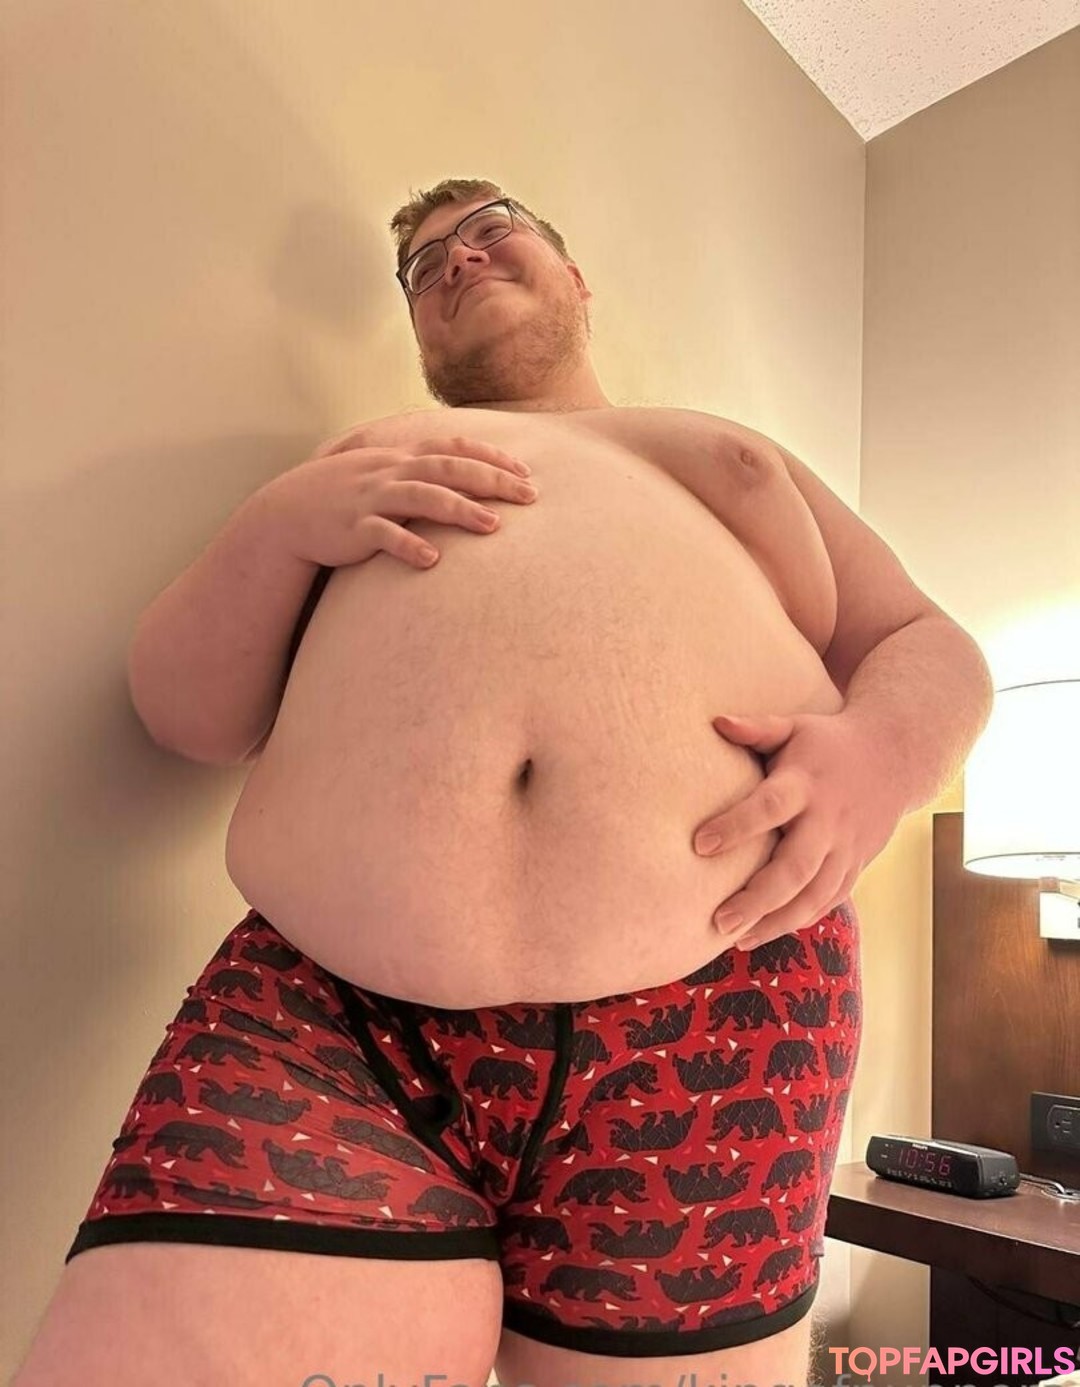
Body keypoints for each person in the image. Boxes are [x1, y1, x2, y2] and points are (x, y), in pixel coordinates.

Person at [15, 179, 994, 1386]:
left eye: (491, 228)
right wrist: (276, 524)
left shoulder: (719, 450)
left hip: (730, 1006)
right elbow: (188, 715)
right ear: (420, 337)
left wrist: (879, 755)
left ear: (575, 278)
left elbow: (923, 641)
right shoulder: (365, 464)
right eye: (424, 265)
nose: (458, 260)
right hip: (330, 1021)